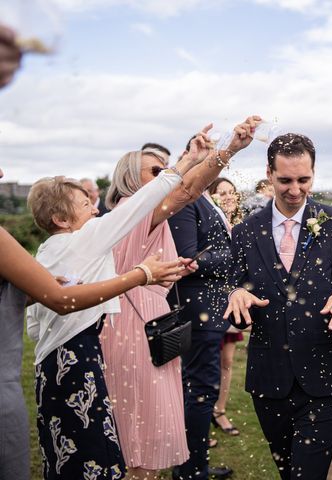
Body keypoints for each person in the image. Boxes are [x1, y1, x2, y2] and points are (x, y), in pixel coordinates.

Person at [101, 120, 256, 480]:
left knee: (140, 417)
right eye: (155, 171)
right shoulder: (137, 212)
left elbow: (186, 188)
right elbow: (187, 190)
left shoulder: (124, 214)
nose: (166, 174)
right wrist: (225, 151)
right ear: (130, 179)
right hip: (136, 324)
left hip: (141, 318)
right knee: (139, 421)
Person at [24, 166, 198, 480]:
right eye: (85, 204)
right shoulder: (87, 237)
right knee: (96, 455)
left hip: (46, 372)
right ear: (61, 220)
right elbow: (139, 205)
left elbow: (33, 328)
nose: (96, 208)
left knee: (64, 457)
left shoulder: (42, 255)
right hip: (79, 365)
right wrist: (184, 164)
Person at [224, 133, 332, 480]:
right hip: (269, 377)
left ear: (314, 173)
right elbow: (231, 286)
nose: (295, 189)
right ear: (269, 173)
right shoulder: (244, 231)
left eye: (304, 179)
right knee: (288, 471)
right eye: (285, 179)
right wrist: (233, 294)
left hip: (324, 375)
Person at [167, 120, 259, 480]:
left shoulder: (205, 201)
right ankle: (191, 470)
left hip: (210, 309)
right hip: (197, 310)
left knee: (202, 387)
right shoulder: (186, 203)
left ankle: (195, 463)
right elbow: (189, 258)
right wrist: (236, 252)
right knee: (199, 388)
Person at [207, 177, 244, 438]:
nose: (229, 197)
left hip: (233, 299)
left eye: (232, 192)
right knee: (207, 360)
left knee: (228, 359)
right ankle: (200, 414)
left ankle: (220, 410)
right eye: (222, 193)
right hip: (210, 300)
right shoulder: (209, 223)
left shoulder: (243, 225)